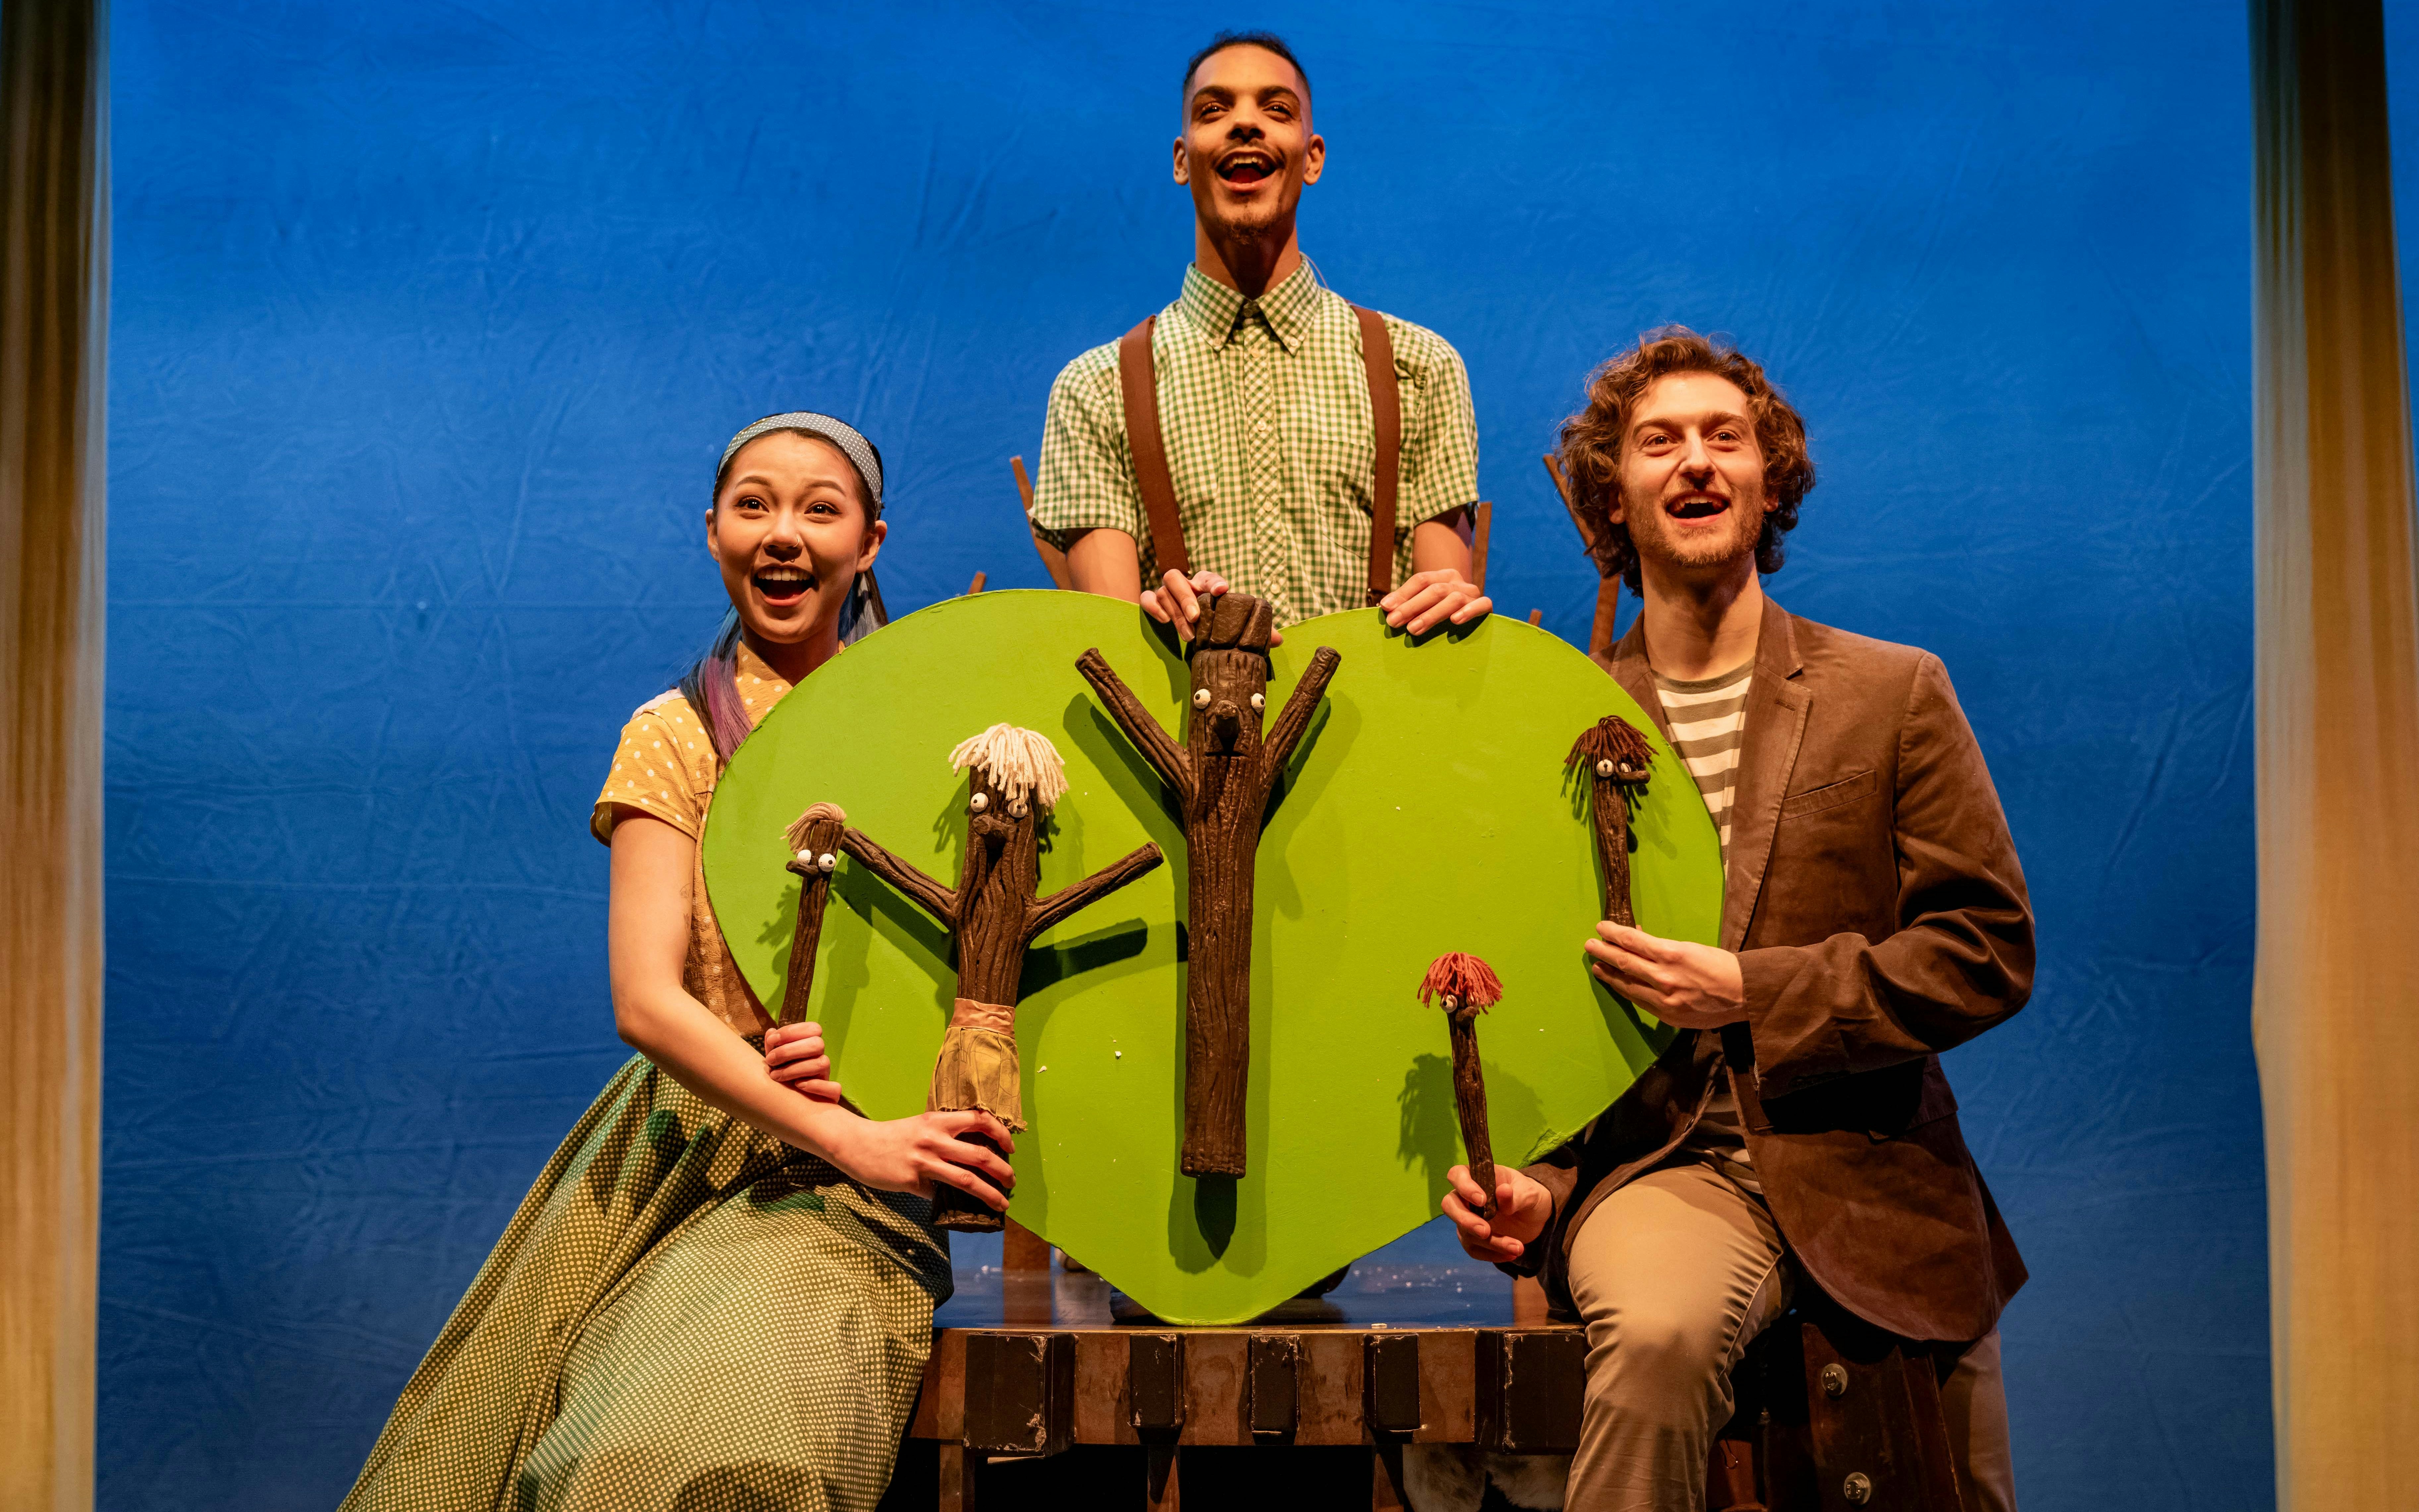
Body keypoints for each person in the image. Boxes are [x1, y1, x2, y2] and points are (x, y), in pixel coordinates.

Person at [341, 413, 1016, 1512]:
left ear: (872, 542)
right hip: (685, 1149)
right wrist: (839, 1122)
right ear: (712, 533)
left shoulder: (924, 732)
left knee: (701, 1450)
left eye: (820, 508)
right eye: (754, 505)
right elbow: (648, 1000)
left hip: (842, 1184)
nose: (784, 534)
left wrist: (881, 1116)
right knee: (509, 1460)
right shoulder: (673, 732)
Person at [1442, 331, 2030, 1512]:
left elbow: (1985, 948)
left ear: (1772, 482)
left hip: (1876, 1173)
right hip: (1667, 1169)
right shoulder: (1560, 728)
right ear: (1614, 493)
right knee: (1655, 1338)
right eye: (1660, 441)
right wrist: (1542, 1184)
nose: (1696, 462)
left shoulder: (1890, 689)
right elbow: (1539, 997)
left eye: (1727, 437)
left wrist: (1756, 988)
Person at [1032, 29, 1493, 640]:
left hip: (1378, 727)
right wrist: (1162, 615)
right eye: (1213, 110)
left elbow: (1438, 629)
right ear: (1180, 158)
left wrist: (1446, 600)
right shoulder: (1095, 388)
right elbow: (1113, 641)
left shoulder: (1419, 366)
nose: (1245, 124)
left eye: (1276, 110)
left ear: (1312, 157)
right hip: (1173, 730)